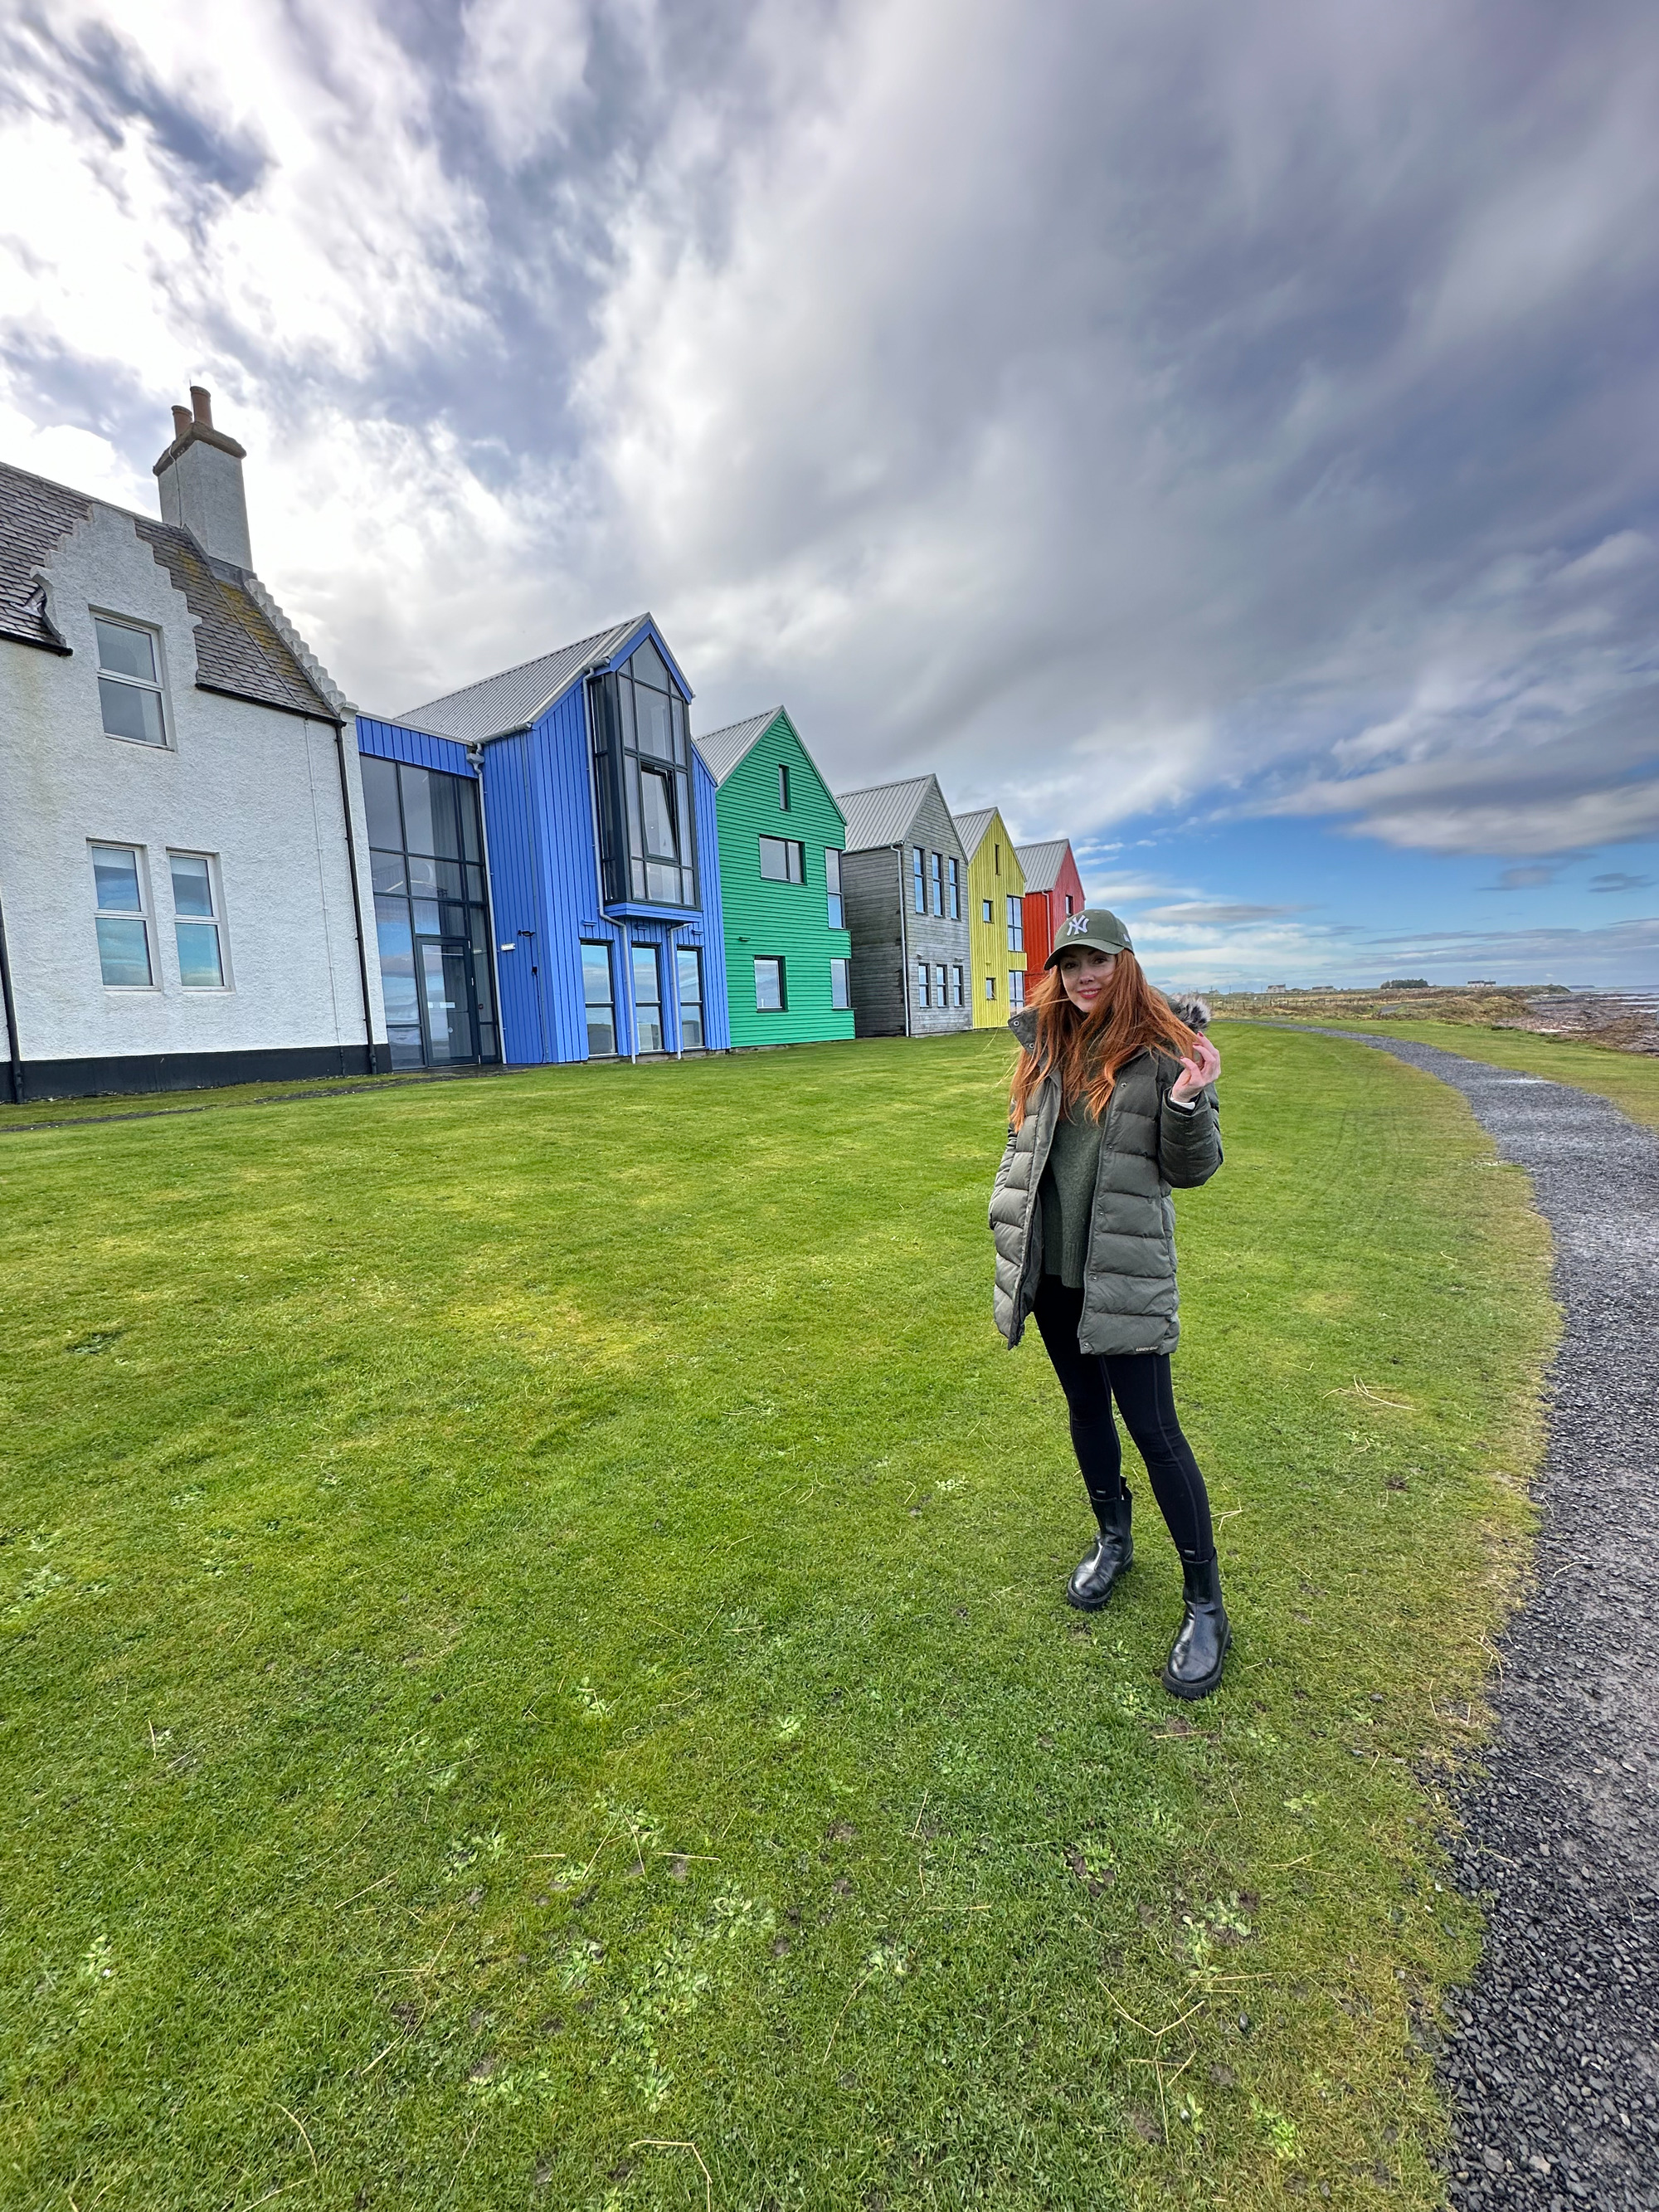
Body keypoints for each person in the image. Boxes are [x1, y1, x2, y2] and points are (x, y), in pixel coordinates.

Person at [989, 909, 1228, 1698]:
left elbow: (1191, 1170)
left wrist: (1191, 1104)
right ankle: (1114, 1538)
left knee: (1156, 1431)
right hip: (1052, 1274)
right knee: (1086, 1412)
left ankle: (1205, 1605)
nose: (1085, 975)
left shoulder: (1165, 1051)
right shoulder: (1045, 1043)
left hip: (1122, 1274)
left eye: (1099, 960)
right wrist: (1006, 1209)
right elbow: (1022, 1148)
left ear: (1126, 962)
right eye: (1072, 962)